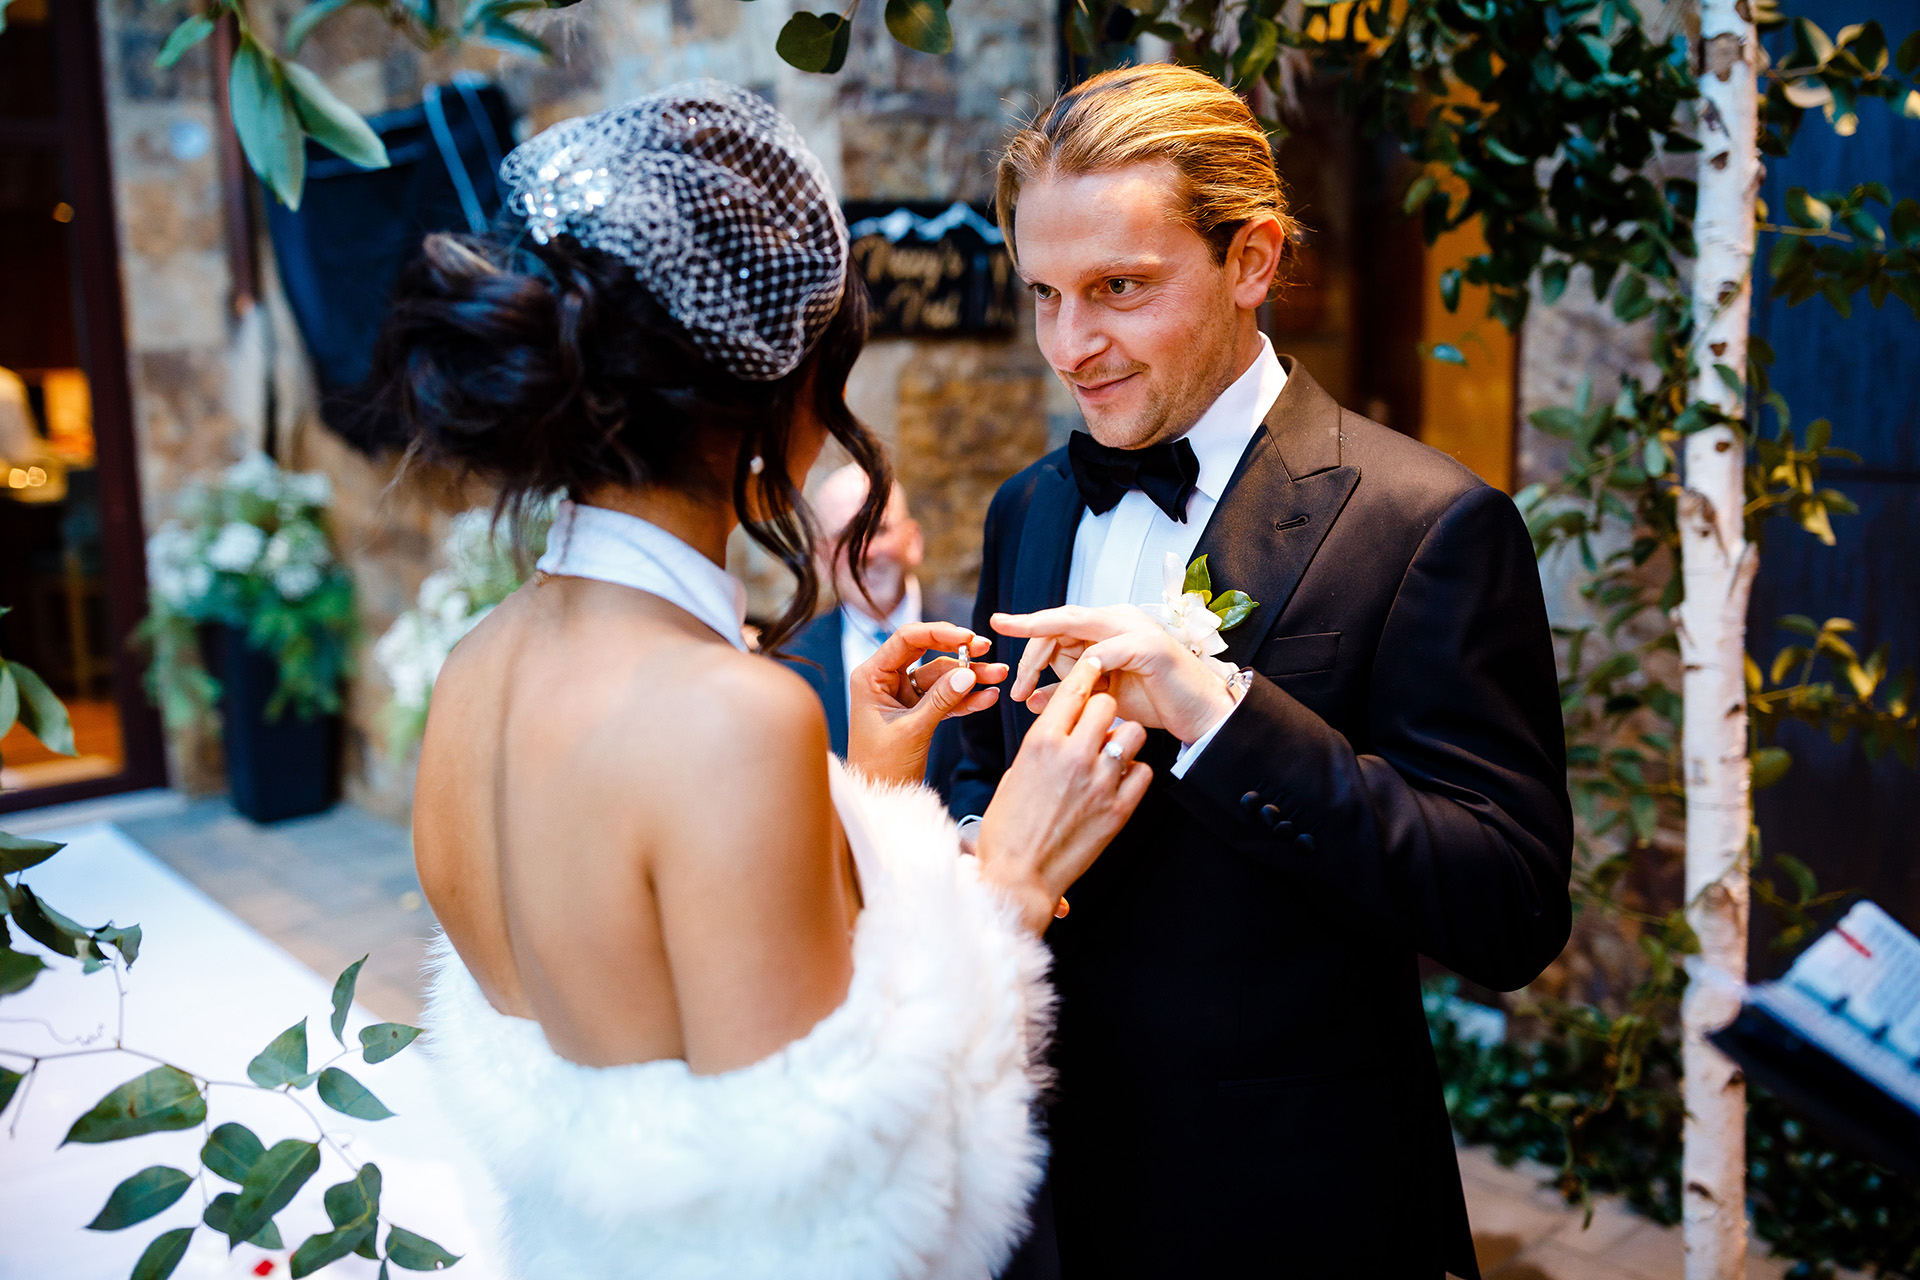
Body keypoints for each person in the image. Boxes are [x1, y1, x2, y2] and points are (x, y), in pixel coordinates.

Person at [374, 82, 1152, 1280]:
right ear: (776, 386)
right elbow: (843, 1228)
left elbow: (655, 992)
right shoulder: (729, 712)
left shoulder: (477, 669)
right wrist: (1006, 884)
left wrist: (868, 794)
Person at [950, 63, 1574, 1278]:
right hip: (1036, 1206)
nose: (1070, 346)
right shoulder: (1027, 505)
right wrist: (974, 816)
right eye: (1044, 295)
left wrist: (1219, 713)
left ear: (1251, 259)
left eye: (1120, 289)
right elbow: (985, 774)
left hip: (1289, 1209)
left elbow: (1508, 908)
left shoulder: (1431, 523)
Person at [784, 465, 967, 797]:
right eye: (846, 537)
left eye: (879, 530)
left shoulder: (977, 629)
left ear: (913, 541)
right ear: (822, 559)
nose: (866, 552)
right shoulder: (786, 663)